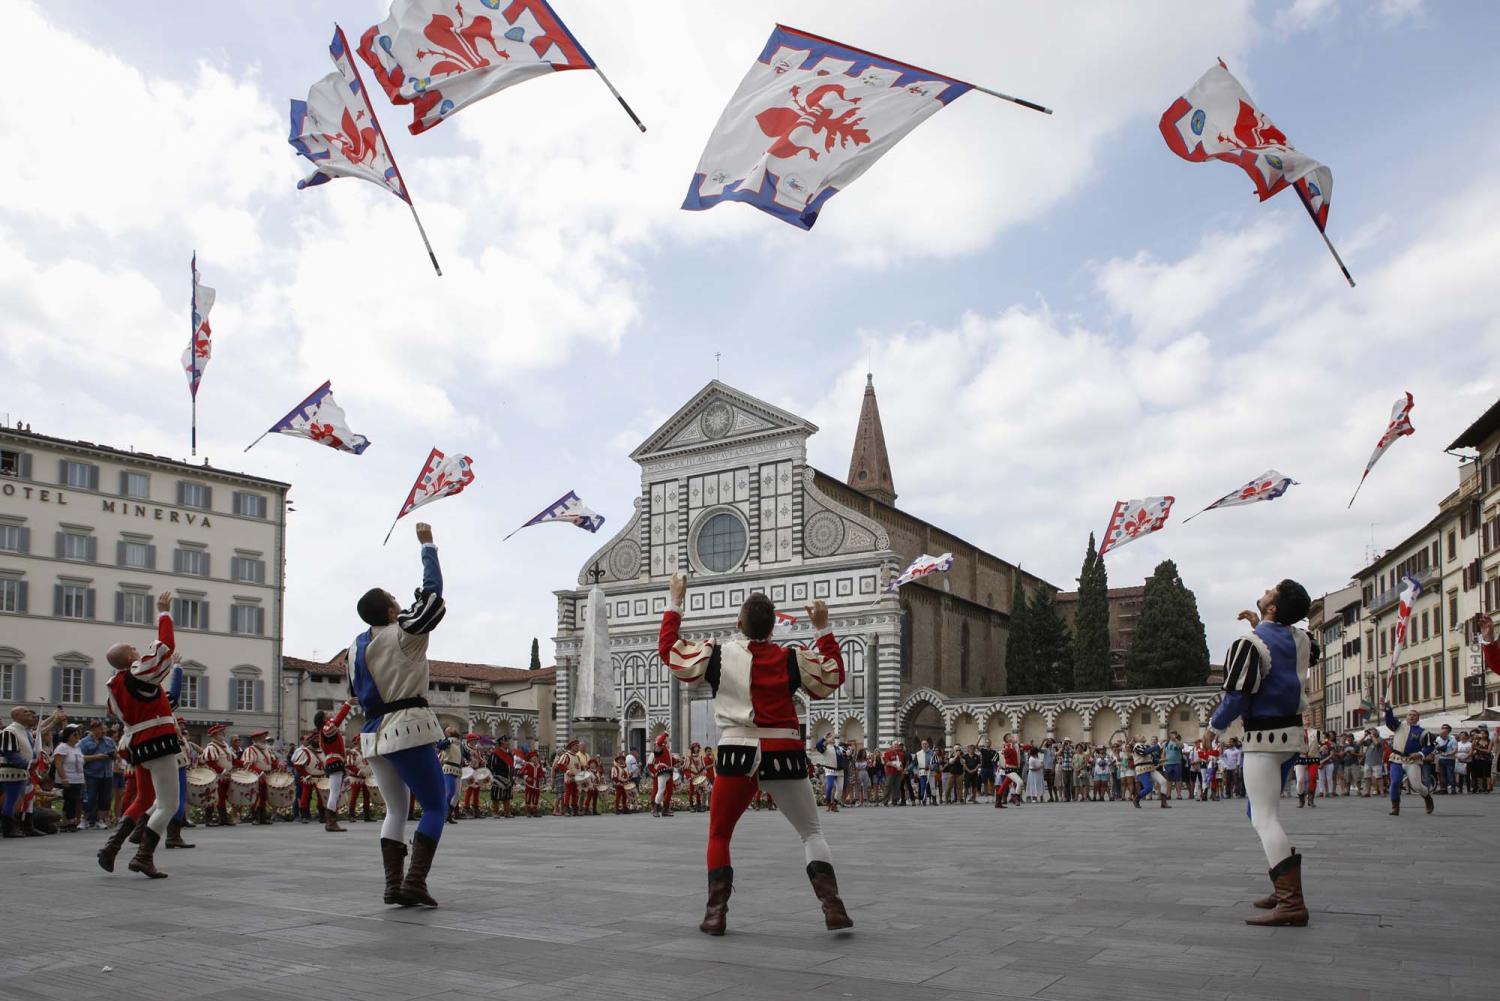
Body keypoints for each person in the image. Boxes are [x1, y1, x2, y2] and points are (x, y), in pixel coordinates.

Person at [660, 570, 852, 936]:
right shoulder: (791, 658)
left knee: (719, 835)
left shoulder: (717, 655)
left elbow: (671, 652)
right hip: (784, 750)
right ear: (773, 629)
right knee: (811, 832)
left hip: (736, 752)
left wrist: (675, 602)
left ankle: (716, 914)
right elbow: (832, 676)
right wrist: (823, 629)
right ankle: (832, 907)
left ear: (738, 624)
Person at [348, 522, 451, 907]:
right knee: (437, 805)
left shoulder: (354, 648)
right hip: (406, 727)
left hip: (373, 733)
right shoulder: (403, 632)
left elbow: (355, 693)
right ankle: (415, 881)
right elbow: (434, 597)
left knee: (396, 808)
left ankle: (393, 885)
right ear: (392, 610)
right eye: (394, 599)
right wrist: (428, 548)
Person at [1207, 580, 1317, 927]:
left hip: (1263, 739)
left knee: (1264, 818)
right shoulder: (1302, 640)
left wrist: (1213, 728)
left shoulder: (1248, 644)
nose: (1267, 589)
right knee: (1260, 811)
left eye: (1272, 591)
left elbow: (1237, 697)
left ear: (1272, 607)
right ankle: (1281, 883)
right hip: (1292, 737)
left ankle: (1291, 902)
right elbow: (1288, 654)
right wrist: (1263, 624)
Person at [95, 590, 184, 878]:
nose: (138, 650)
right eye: (133, 649)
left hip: (137, 744)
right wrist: (163, 612)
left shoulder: (116, 686)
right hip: (157, 742)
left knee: (144, 799)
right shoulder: (138, 673)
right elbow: (165, 647)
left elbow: (152, 704)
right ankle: (144, 856)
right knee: (168, 803)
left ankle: (112, 846)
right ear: (131, 655)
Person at [2, 706, 67, 838]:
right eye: (25, 712)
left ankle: (27, 826)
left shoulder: (24, 731)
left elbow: (38, 734)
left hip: (24, 771)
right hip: (13, 771)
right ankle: (9, 828)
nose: (30, 714)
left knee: (28, 800)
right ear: (17, 716)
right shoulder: (10, 731)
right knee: (12, 799)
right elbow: (10, 753)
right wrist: (28, 764)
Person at [1383, 701, 1435, 817]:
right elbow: (1389, 720)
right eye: (1409, 715)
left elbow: (1431, 746)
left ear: (1418, 718)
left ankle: (1427, 797)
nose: (1411, 716)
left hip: (1412, 761)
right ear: (1406, 717)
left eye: (1414, 715)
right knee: (1395, 783)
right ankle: (1395, 806)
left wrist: (1420, 753)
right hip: (1397, 759)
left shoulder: (1423, 732)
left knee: (1416, 785)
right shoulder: (1398, 726)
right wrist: (1388, 709)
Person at [317, 702, 353, 831]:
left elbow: (334, 746)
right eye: (327, 714)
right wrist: (347, 705)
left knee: (335, 792)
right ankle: (331, 822)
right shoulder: (326, 729)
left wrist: (346, 751)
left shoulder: (324, 730)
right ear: (324, 719)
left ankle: (331, 821)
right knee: (334, 792)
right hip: (335, 763)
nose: (329, 714)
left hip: (334, 761)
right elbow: (337, 722)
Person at [78, 721, 117, 830]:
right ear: (94, 729)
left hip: (107, 773)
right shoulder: (84, 742)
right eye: (101, 730)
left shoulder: (109, 741)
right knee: (89, 798)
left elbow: (116, 754)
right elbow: (80, 757)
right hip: (91, 774)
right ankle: (84, 820)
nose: (103, 732)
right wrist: (96, 757)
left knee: (105, 798)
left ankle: (100, 820)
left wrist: (113, 755)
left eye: (104, 729)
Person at [52, 725, 86, 831]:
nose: (77, 736)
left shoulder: (77, 748)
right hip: (68, 778)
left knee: (75, 800)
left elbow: (80, 763)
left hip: (78, 778)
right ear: (67, 736)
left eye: (79, 734)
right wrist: (64, 778)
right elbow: (58, 763)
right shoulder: (62, 747)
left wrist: (83, 780)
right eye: (75, 734)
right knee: (69, 800)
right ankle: (67, 822)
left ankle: (72, 820)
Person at [199, 724, 234, 826]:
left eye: (223, 731)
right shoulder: (211, 747)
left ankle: (223, 819)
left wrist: (243, 763)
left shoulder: (226, 746)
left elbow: (233, 759)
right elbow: (210, 762)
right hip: (216, 776)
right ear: (214, 735)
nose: (223, 733)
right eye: (220, 732)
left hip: (225, 776)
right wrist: (223, 771)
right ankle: (208, 819)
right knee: (212, 797)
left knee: (222, 797)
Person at [242, 731, 278, 825]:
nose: (264, 739)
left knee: (264, 796)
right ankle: (255, 817)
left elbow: (272, 761)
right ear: (256, 739)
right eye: (263, 737)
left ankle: (262, 817)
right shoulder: (250, 750)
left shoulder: (267, 749)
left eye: (264, 737)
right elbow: (248, 765)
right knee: (256, 796)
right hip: (256, 776)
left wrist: (278, 766)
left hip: (267, 775)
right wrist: (260, 772)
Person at [490, 734, 515, 818]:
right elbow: (491, 765)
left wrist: (512, 776)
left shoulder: (509, 754)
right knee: (496, 795)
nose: (508, 743)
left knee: (507, 796)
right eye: (507, 741)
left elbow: (511, 765)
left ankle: (507, 812)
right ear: (502, 742)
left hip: (507, 777)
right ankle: (495, 812)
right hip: (498, 776)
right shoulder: (496, 753)